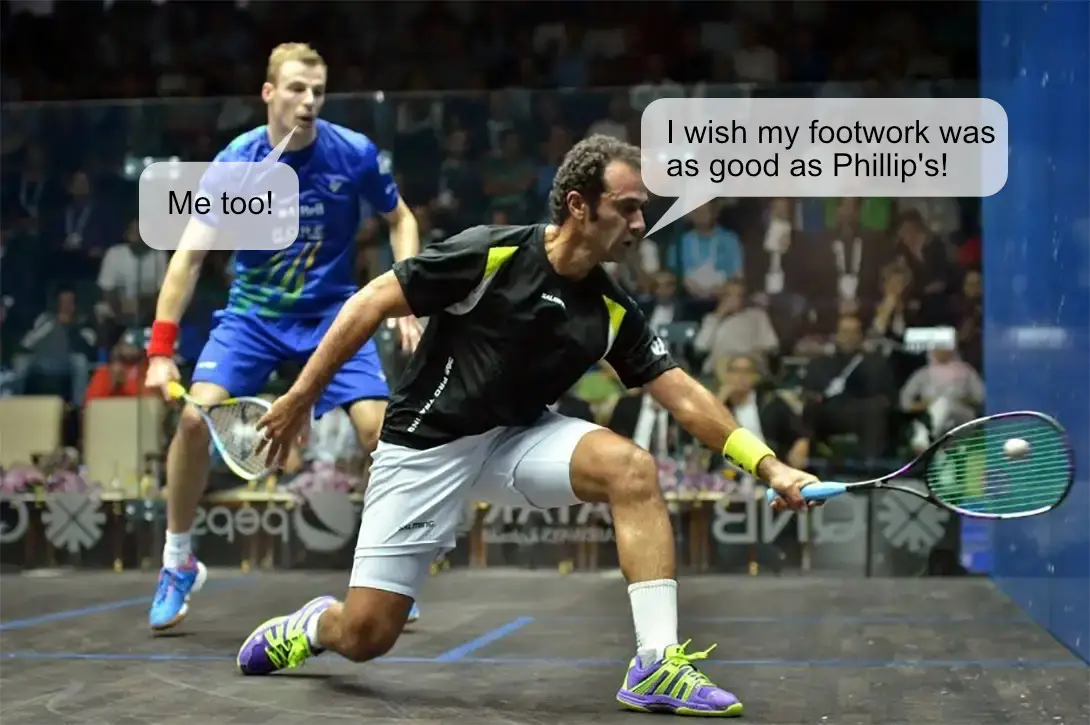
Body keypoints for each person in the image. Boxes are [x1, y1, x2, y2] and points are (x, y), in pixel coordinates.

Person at [242, 135, 818, 717]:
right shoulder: (490, 256)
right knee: (367, 637)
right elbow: (369, 302)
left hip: (517, 438)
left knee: (631, 468)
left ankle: (656, 664)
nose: (641, 223)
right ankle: (317, 626)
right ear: (578, 205)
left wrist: (768, 465)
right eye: (627, 207)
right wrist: (300, 396)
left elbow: (684, 396)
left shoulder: (612, 309)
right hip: (426, 446)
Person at [143, 43, 424, 631]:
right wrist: (161, 351)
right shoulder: (235, 164)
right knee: (195, 422)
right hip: (253, 318)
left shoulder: (353, 155)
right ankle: (177, 561)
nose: (309, 101)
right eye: (297, 89)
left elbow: (401, 218)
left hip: (332, 317)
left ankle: (387, 576)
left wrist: (407, 292)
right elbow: (189, 258)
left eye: (318, 91)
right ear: (269, 93)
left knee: (379, 432)